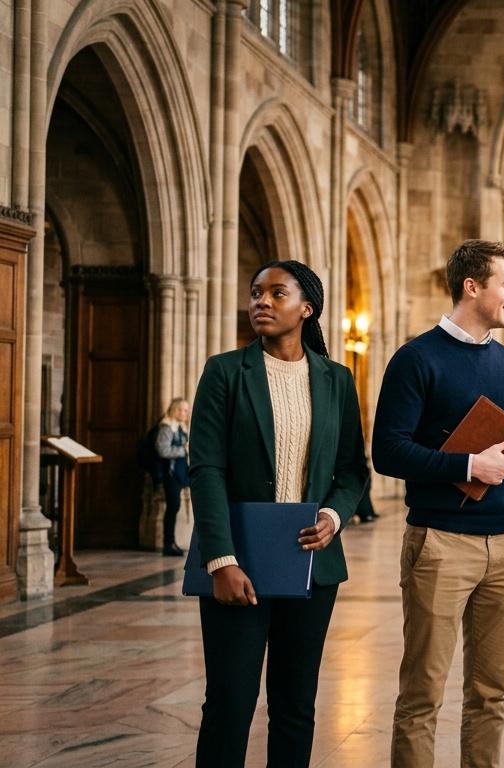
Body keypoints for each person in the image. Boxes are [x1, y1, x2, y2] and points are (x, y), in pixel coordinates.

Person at [188, 259, 369, 767]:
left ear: (306, 308)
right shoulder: (225, 371)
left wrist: (333, 518)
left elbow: (354, 469)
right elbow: (206, 469)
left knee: (295, 705)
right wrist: (220, 559)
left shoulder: (336, 379)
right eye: (255, 293)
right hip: (238, 563)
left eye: (276, 293)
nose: (261, 301)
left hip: (310, 565)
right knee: (229, 702)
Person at [373, 238, 504, 768]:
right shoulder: (415, 358)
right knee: (422, 695)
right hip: (441, 544)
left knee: (490, 694)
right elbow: (387, 451)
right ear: (473, 287)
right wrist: (468, 466)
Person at [156, 397, 191, 556]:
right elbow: (163, 450)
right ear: (175, 410)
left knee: (174, 507)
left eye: (186, 410)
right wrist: (183, 450)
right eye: (183, 410)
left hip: (178, 473)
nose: (185, 413)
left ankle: (172, 543)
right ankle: (168, 544)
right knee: (173, 506)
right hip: (170, 474)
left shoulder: (180, 427)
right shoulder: (167, 427)